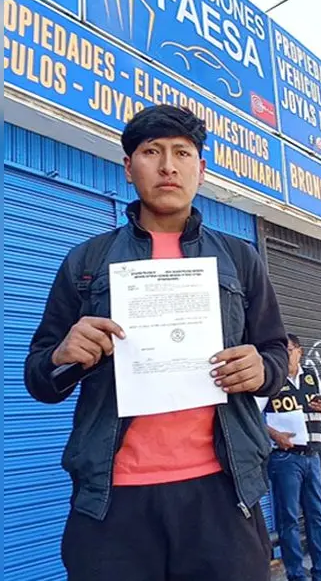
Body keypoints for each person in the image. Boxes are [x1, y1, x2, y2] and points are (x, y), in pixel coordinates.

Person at [23, 104, 289, 580]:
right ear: (129, 168)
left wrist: (262, 370)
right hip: (113, 498)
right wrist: (64, 356)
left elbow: (275, 352)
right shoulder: (87, 261)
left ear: (200, 170)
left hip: (222, 492)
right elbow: (39, 376)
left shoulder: (240, 258)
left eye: (182, 153)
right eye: (152, 152)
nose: (168, 165)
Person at [262, 333, 321, 581]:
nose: (285, 354)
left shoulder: (311, 377)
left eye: (289, 349)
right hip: (285, 458)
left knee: (317, 515)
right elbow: (253, 416)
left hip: (312, 456)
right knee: (289, 519)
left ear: (299, 351)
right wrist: (275, 435)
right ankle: (296, 575)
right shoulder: (270, 380)